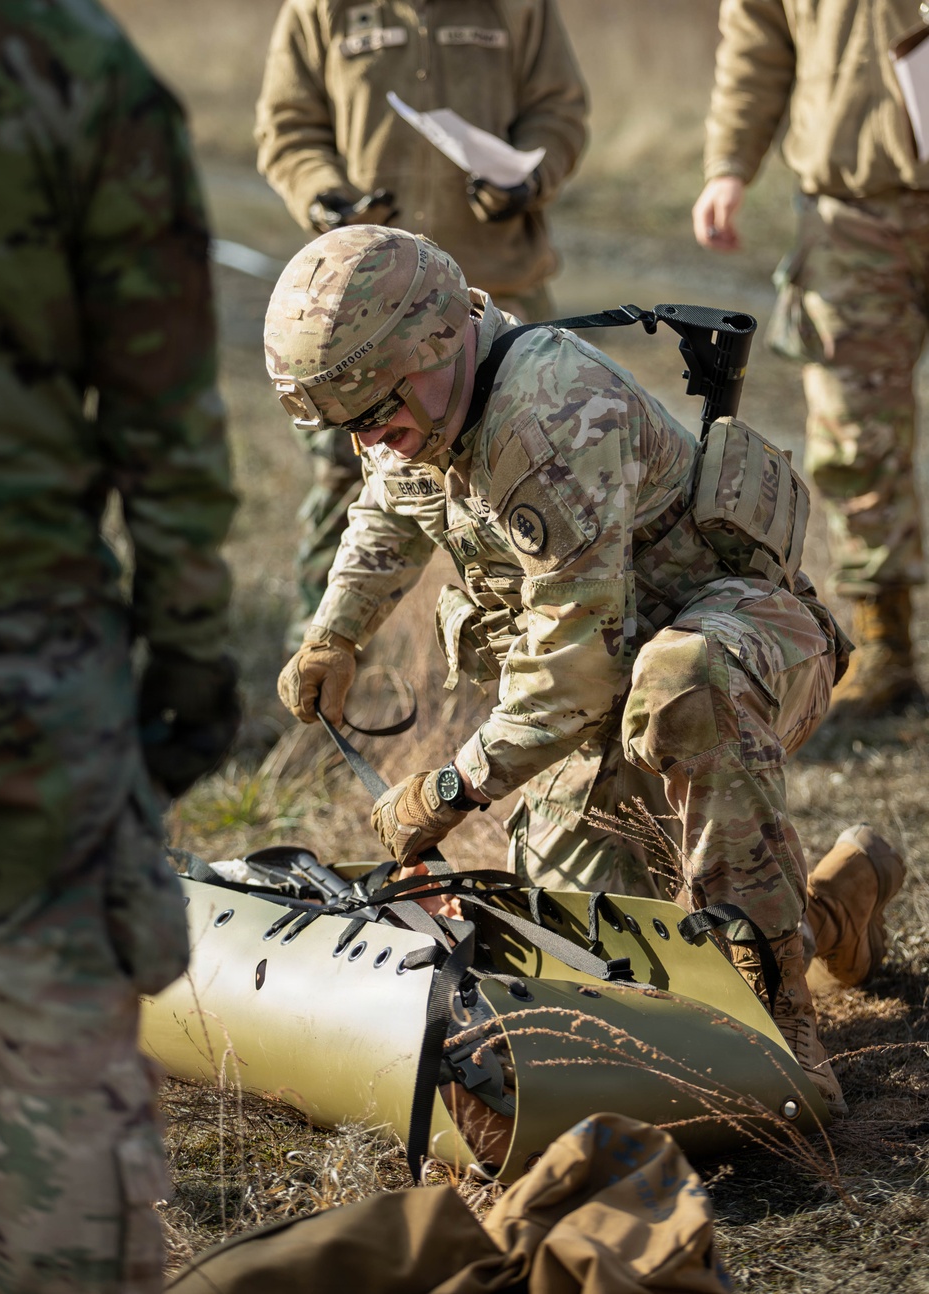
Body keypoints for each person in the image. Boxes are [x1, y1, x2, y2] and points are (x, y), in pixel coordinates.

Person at [268, 224, 908, 1117]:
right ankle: (836, 908)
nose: (375, 437)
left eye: (377, 413)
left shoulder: (547, 412)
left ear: (436, 343)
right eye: (351, 424)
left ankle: (781, 1016)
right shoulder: (414, 407)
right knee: (604, 963)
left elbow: (573, 665)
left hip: (739, 649)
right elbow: (387, 507)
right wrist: (335, 633)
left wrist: (451, 789)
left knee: (687, 683)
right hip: (610, 695)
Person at [0, 2, 240, 1290]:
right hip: (11, 644)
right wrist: (189, 644)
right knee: (57, 1056)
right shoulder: (70, 62)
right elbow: (164, 406)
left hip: (13, 634)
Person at [254, 0, 589, 649]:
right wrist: (325, 195)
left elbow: (562, 111)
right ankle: (328, 669)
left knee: (541, 481)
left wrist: (528, 177)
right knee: (350, 486)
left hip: (495, 297)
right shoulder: (321, 9)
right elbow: (287, 127)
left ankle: (555, 663)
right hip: (359, 317)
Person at [692, 0, 929, 733]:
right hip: (849, 213)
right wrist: (730, 164)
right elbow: (757, 44)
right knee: (855, 431)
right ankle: (885, 638)